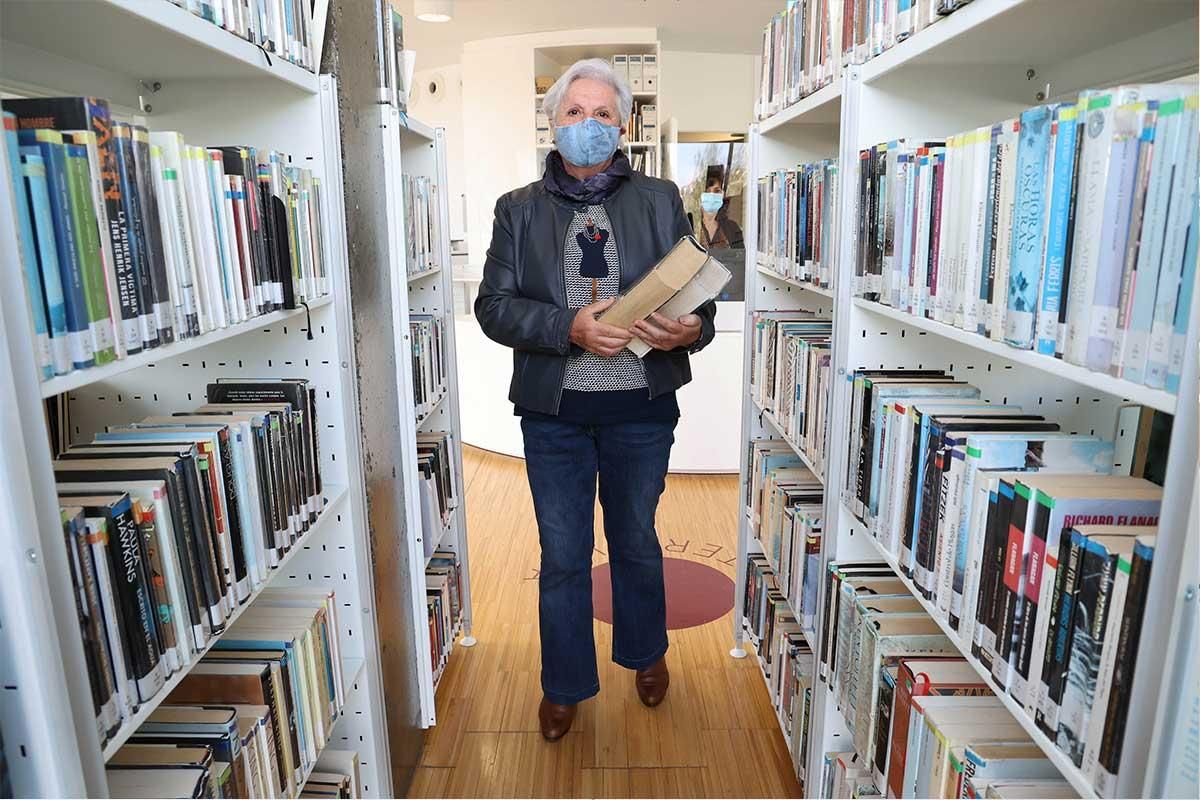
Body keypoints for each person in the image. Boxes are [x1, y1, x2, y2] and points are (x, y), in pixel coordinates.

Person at [474, 57, 717, 741]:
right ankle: (564, 684)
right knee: (563, 552)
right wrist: (567, 327)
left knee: (636, 539)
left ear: (625, 124)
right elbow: (494, 307)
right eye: (575, 113)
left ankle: (645, 653)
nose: (589, 125)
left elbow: (698, 295)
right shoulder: (517, 210)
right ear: (553, 124)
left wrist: (692, 329)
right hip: (556, 415)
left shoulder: (662, 198)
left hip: (641, 408)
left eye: (603, 114)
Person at [698, 175, 744, 249]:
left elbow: (740, 257)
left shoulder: (732, 228)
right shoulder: (692, 227)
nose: (712, 195)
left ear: (722, 195)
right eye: (707, 191)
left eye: (717, 191)